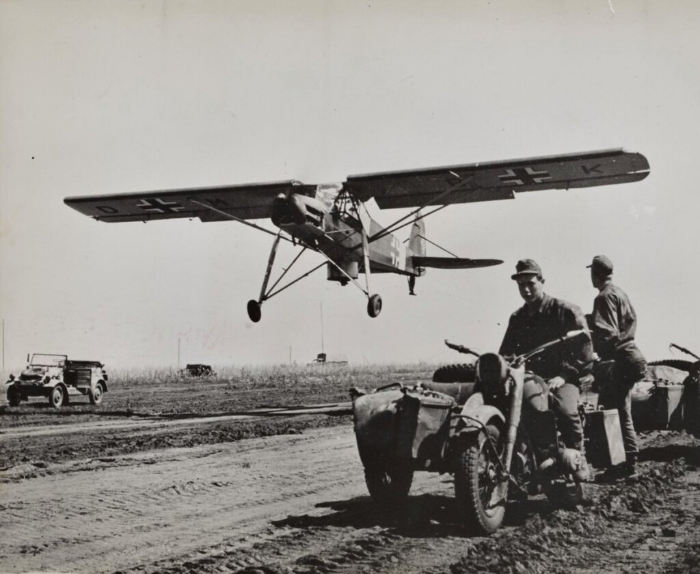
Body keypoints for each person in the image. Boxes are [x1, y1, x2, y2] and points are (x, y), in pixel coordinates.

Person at [500, 259, 594, 477]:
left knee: (565, 411)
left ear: (542, 282)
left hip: (562, 377)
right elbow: (505, 352)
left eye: (530, 283)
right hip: (530, 379)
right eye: (521, 284)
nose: (526, 289)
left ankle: (579, 459)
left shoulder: (564, 310)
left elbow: (585, 348)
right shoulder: (517, 318)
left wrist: (564, 375)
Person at [587, 255, 646, 479]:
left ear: (595, 274)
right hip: (632, 357)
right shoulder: (620, 293)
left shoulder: (603, 297)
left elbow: (609, 333)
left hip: (621, 358)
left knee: (613, 412)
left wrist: (592, 343)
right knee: (620, 410)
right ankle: (625, 465)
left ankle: (624, 466)